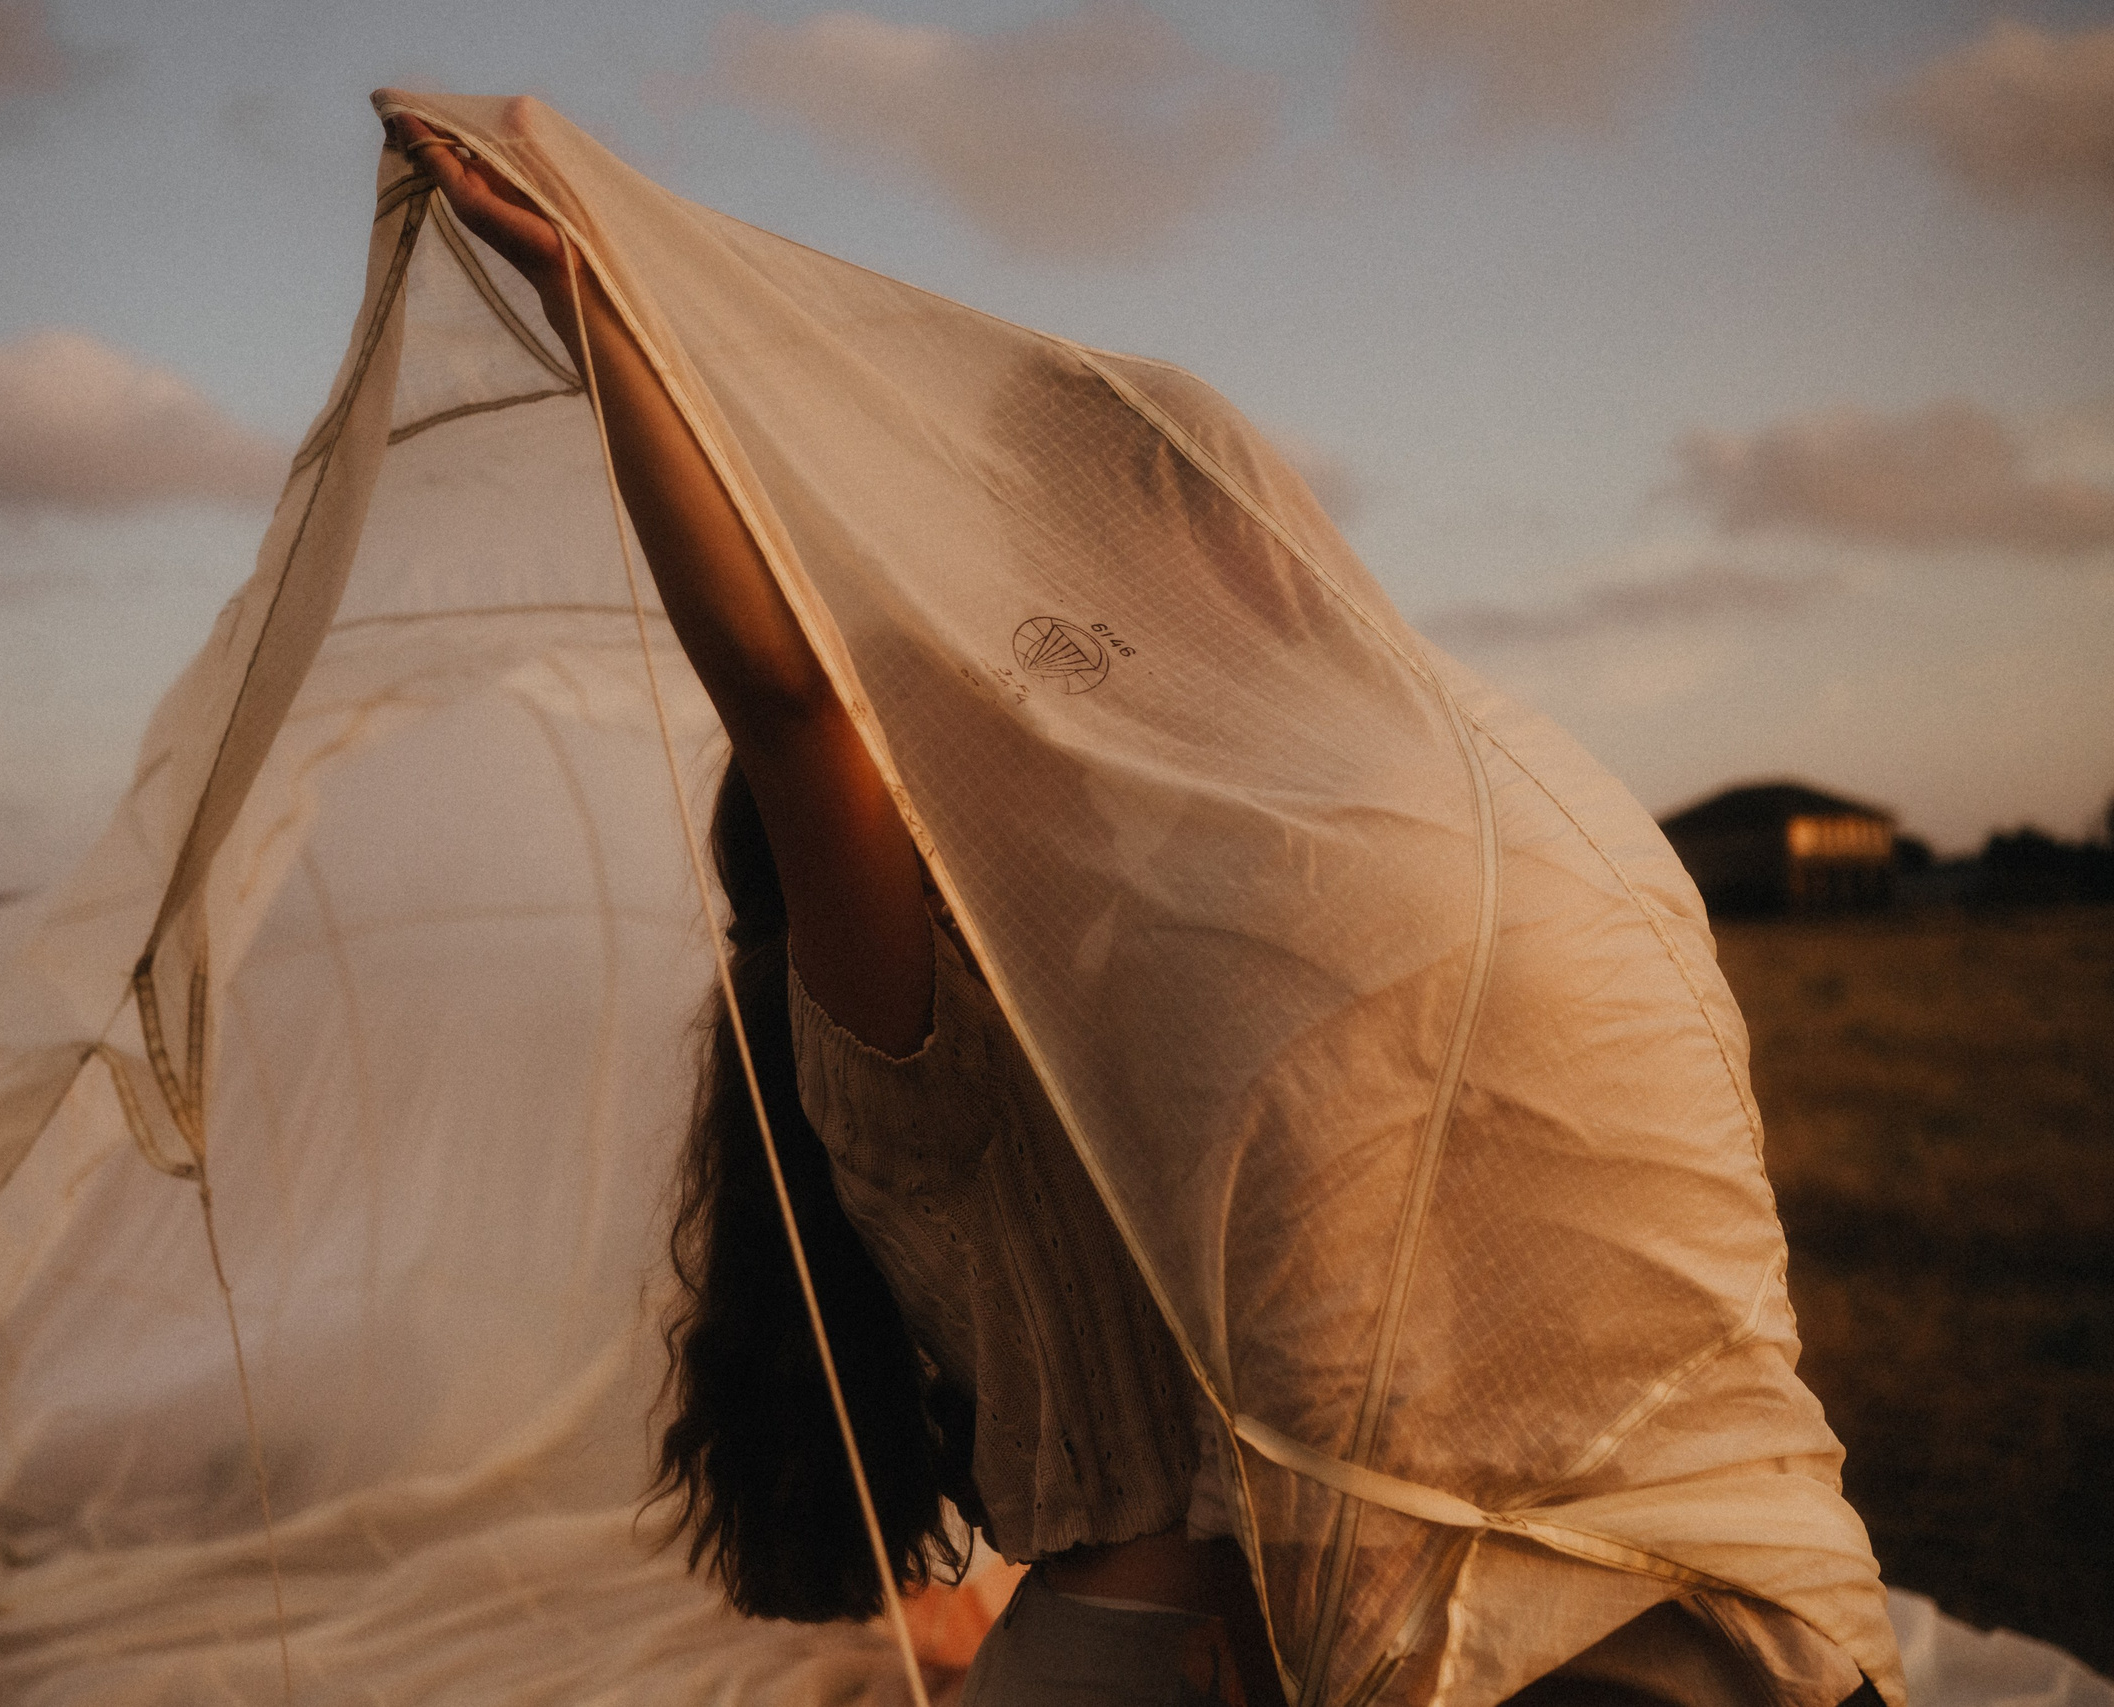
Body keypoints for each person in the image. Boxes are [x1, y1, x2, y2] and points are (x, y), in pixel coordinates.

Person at [379, 104, 1884, 1707]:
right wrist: (612, 309)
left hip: (1634, 1622)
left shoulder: (1232, 926)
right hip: (1699, 1635)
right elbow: (792, 697)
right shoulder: (955, 1015)